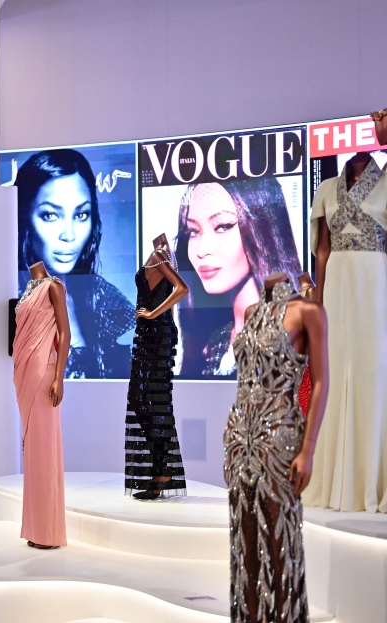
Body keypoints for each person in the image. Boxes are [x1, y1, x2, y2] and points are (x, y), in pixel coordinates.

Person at [225, 273, 328, 623]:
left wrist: (308, 449)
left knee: (280, 542)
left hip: (280, 440)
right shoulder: (251, 311)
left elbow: (321, 382)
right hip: (241, 440)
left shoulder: (307, 310)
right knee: (245, 544)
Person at [304, 127, 387, 512]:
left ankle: (372, 482)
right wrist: (317, 300)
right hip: (337, 281)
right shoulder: (327, 189)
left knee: (374, 372)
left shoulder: (385, 183)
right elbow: (322, 249)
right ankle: (333, 481)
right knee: (334, 372)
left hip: (374, 282)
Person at [16, 149, 134, 378]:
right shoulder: (4, 297)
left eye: (80, 215)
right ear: (25, 217)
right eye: (51, 215)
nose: (69, 235)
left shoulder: (106, 299)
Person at [173, 178, 302, 377]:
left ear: (263, 229)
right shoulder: (214, 341)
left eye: (223, 226)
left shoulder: (294, 330)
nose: (202, 250)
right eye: (193, 231)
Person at [124, 235, 189, 499]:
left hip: (156, 335)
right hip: (150, 335)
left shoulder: (160, 254)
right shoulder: (163, 255)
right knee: (145, 400)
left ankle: (162, 472)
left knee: (146, 400)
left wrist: (153, 314)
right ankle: (160, 469)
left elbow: (182, 289)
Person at [13, 261, 70, 549]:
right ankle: (36, 529)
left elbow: (65, 334)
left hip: (43, 373)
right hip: (24, 371)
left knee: (45, 450)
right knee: (33, 451)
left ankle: (48, 531)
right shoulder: (28, 289)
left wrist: (59, 378)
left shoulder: (53, 286)